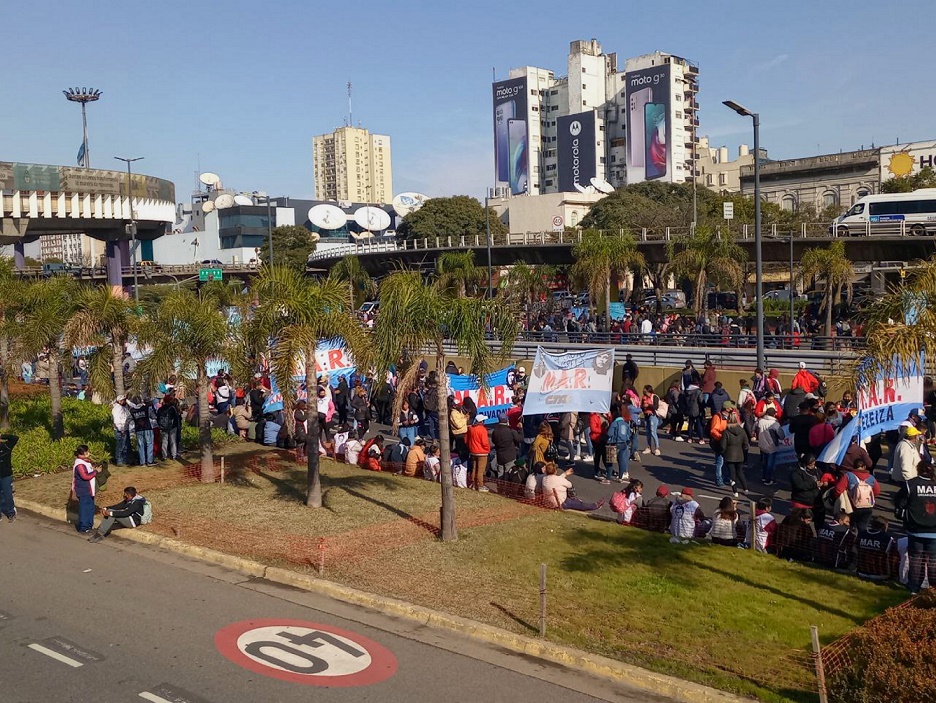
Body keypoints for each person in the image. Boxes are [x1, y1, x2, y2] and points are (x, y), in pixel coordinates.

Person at [894, 461, 936, 594]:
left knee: (916, 559)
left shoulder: (910, 484)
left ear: (918, 469)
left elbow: (899, 503)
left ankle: (914, 588)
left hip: (915, 529)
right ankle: (934, 589)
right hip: (933, 531)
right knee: (933, 561)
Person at [833, 458, 880, 532]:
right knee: (862, 528)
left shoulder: (848, 476)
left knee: (850, 527)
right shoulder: (871, 478)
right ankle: (861, 538)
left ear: (853, 466)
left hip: (853, 507)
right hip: (867, 507)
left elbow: (838, 490)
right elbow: (877, 491)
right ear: (864, 467)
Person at [854, 516, 898, 581]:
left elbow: (855, 551)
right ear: (884, 527)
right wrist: (894, 575)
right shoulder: (887, 539)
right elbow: (893, 559)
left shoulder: (861, 534)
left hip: (861, 572)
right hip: (880, 574)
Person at [790, 453, 826, 526]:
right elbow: (800, 485)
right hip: (802, 502)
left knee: (820, 522)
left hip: (816, 502)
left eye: (814, 464)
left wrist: (824, 482)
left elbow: (822, 477)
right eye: (810, 465)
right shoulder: (796, 473)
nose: (813, 467)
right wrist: (814, 484)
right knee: (800, 524)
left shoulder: (817, 471)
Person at [719, 410, 749, 497]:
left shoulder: (726, 432)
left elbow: (723, 446)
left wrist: (723, 452)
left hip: (729, 455)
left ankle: (735, 491)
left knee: (732, 474)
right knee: (740, 472)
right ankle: (745, 489)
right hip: (740, 455)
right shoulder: (742, 431)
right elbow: (746, 443)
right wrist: (743, 451)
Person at [71, 445, 99, 534]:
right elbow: (85, 476)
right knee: (85, 509)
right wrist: (96, 472)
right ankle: (84, 527)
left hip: (89, 490)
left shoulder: (85, 462)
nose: (88, 453)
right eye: (87, 451)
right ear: (83, 452)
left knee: (90, 508)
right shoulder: (80, 464)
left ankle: (89, 526)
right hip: (84, 490)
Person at [606, 407, 633, 484]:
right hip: (624, 444)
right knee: (621, 461)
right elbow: (629, 434)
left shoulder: (614, 423)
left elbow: (609, 434)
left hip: (614, 443)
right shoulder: (626, 424)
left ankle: (608, 478)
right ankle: (620, 477)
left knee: (610, 461)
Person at [466, 415, 491, 492]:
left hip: (473, 451)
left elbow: (466, 439)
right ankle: (480, 485)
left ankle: (473, 483)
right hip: (482, 452)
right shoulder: (482, 430)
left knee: (474, 468)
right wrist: (487, 449)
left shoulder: (471, 428)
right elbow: (485, 442)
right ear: (481, 421)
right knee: (480, 470)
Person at [156, 391, 182, 460]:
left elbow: (157, 418)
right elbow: (176, 417)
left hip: (163, 427)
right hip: (172, 427)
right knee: (173, 441)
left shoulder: (160, 409)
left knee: (164, 442)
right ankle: (174, 455)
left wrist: (160, 425)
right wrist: (176, 425)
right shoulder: (172, 408)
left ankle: (164, 456)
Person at [0, 433, 19, 522]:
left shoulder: (6, 446)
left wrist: (2, 436)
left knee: (7, 495)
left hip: (6, 475)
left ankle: (11, 513)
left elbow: (15, 438)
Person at [640, 385, 661, 456]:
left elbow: (656, 406)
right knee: (648, 432)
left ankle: (657, 448)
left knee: (653, 432)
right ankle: (649, 447)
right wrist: (643, 407)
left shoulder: (654, 396)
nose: (643, 391)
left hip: (653, 416)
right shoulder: (644, 397)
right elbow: (641, 406)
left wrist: (648, 405)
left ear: (648, 390)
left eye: (645, 389)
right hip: (646, 416)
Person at [111, 395, 131, 466]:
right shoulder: (116, 409)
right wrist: (121, 429)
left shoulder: (123, 408)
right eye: (123, 400)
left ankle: (125, 460)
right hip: (120, 430)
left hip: (124, 429)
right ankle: (119, 461)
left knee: (124, 445)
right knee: (120, 446)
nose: (125, 401)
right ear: (119, 401)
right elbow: (116, 421)